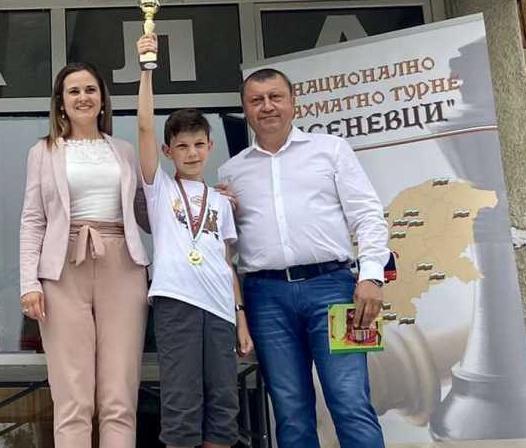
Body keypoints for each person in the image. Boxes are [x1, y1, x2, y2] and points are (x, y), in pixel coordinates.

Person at [217, 67, 390, 448]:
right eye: (256, 100)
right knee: (290, 411)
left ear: (293, 102)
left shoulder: (330, 150)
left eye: (275, 97)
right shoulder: (232, 171)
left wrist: (371, 275)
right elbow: (228, 247)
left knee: (350, 401)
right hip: (266, 297)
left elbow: (367, 215)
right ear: (245, 109)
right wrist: (217, 210)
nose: (267, 106)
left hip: (334, 289)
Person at [19, 62, 150, 448]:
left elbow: (148, 211)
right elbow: (32, 220)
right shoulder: (42, 151)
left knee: (119, 395)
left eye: (90, 90)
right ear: (60, 102)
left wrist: (196, 194)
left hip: (122, 263)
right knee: (73, 396)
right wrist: (29, 283)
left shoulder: (123, 151)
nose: (83, 98)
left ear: (103, 99)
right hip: (63, 267)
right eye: (73, 91)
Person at [135, 33, 252, 448]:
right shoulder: (160, 189)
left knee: (223, 405)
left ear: (210, 146)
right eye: (182, 146)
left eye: (199, 144)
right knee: (182, 403)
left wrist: (240, 318)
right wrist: (147, 71)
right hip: (177, 302)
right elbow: (144, 126)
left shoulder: (221, 200)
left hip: (220, 308)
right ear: (168, 151)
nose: (191, 153)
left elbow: (226, 262)